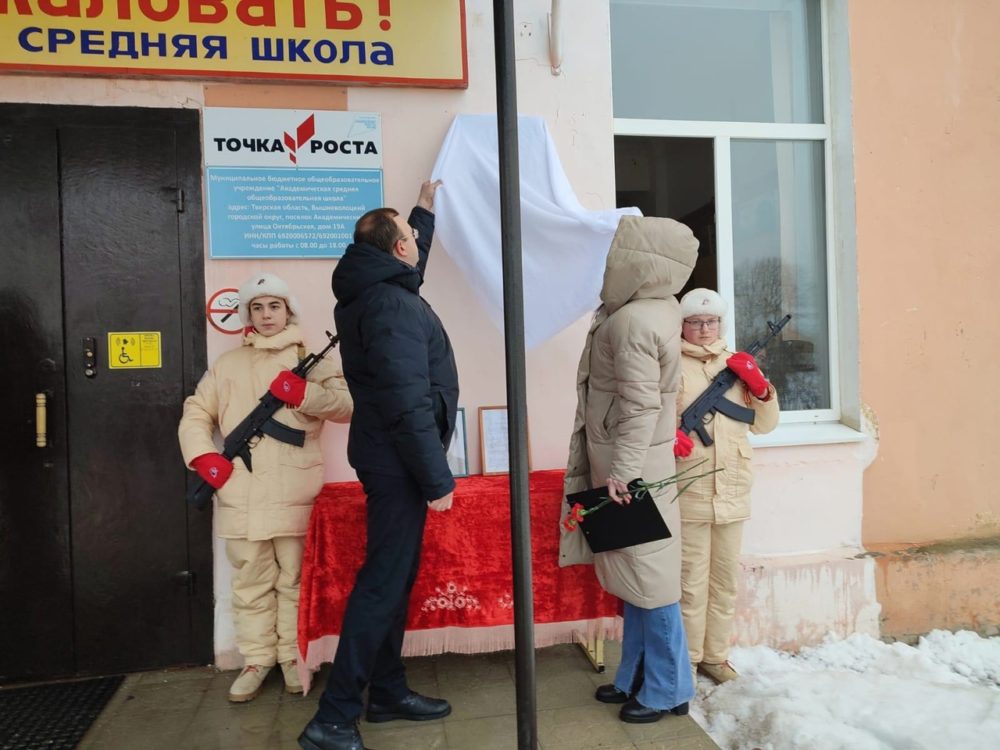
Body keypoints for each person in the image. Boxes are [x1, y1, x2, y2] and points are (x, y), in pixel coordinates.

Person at [299, 180, 458, 750]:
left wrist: (424, 212)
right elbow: (405, 399)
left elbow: (410, 266)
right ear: (396, 250)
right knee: (381, 586)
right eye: (411, 237)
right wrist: (437, 478)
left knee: (394, 581)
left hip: (389, 458)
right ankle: (333, 719)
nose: (416, 242)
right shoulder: (391, 304)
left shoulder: (377, 286)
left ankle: (387, 691)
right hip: (399, 464)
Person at [178, 272, 353, 702]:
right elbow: (197, 412)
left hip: (296, 487)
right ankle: (257, 660)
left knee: (294, 579)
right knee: (250, 581)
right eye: (257, 307)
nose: (266, 315)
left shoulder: (312, 357)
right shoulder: (228, 365)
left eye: (274, 306)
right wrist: (204, 458)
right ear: (247, 315)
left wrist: (304, 395)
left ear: (288, 310)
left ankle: (293, 657)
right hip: (241, 489)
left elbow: (346, 407)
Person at [560, 215, 699, 724]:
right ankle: (638, 676)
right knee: (637, 580)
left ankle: (667, 690)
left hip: (630, 470)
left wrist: (621, 472)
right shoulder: (656, 308)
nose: (608, 263)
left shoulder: (634, 320)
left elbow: (639, 405)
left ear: (638, 261)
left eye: (617, 254)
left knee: (652, 583)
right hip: (636, 463)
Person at [674, 288, 779, 684]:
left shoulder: (737, 365)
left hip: (733, 490)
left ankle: (715, 657)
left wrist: (761, 388)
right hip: (691, 491)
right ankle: (686, 661)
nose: (704, 329)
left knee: (724, 584)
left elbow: (765, 425)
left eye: (711, 322)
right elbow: (651, 416)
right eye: (696, 322)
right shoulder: (670, 364)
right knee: (690, 585)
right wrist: (669, 437)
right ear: (683, 325)